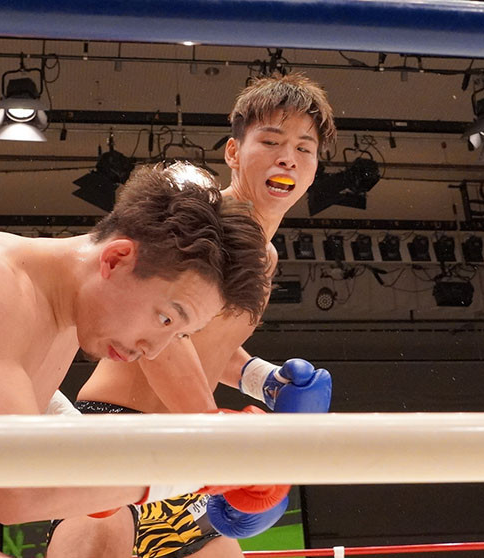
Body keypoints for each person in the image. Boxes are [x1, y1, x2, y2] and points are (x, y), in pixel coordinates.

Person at [0, 162, 275, 558]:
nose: (155, 349)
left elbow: (23, 424)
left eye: (179, 334)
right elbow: (16, 494)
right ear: (117, 258)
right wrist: (197, 466)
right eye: (165, 318)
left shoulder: (59, 316)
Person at [47, 73, 336, 558]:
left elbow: (207, 344)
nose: (288, 157)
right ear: (233, 152)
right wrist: (214, 436)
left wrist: (263, 380)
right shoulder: (196, 221)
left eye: (304, 149)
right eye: (271, 141)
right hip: (120, 433)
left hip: (191, 456)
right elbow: (158, 334)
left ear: (313, 170)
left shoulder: (265, 261)